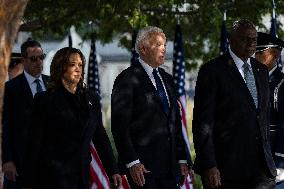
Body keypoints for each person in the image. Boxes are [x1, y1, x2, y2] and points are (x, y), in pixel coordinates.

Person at [192, 19, 276, 189]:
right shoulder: (212, 71)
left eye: (254, 39)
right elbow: (203, 123)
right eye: (245, 39)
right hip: (226, 171)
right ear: (231, 39)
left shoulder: (261, 71)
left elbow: (263, 117)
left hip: (262, 171)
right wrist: (209, 165)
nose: (251, 44)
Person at [28, 47, 121, 189]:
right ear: (61, 68)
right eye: (72, 64)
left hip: (81, 176)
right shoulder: (44, 100)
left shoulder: (92, 98)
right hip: (52, 177)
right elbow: (35, 142)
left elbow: (100, 138)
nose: (78, 69)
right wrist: (29, 181)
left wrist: (113, 170)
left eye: (80, 65)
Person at [111, 26, 192, 189]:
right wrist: (132, 161)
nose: (163, 49)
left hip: (169, 169)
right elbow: (120, 127)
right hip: (142, 171)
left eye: (164, 45)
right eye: (158, 45)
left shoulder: (168, 79)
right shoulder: (126, 79)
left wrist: (182, 158)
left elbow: (175, 123)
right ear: (143, 48)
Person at [2, 39, 49, 189]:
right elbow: (6, 127)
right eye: (34, 59)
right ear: (24, 60)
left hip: (50, 164)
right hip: (20, 163)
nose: (39, 62)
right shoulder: (11, 89)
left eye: (42, 57)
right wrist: (7, 160)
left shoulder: (53, 84)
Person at [255, 32, 284, 188]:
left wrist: (281, 162)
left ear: (275, 54)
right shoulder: (251, 81)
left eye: (260, 52)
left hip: (274, 162)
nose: (256, 57)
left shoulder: (281, 85)